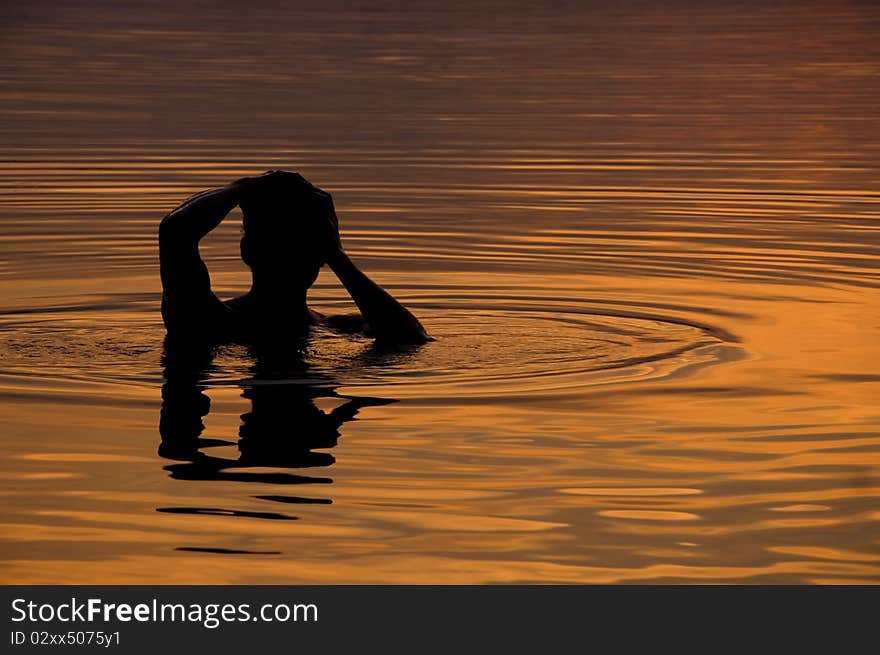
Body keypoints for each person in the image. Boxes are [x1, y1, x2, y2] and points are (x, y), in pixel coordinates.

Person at [158, 170, 428, 346]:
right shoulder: (209, 321)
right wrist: (244, 188)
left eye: (305, 246)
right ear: (248, 251)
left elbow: (412, 339)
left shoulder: (341, 327)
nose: (293, 259)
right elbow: (175, 233)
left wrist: (335, 253)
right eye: (281, 245)